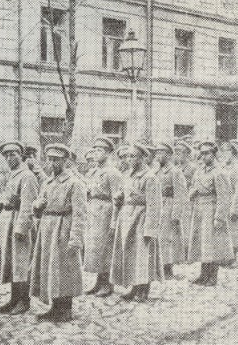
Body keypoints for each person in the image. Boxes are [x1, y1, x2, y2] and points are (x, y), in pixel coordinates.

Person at [30, 143, 86, 322]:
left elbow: (80, 213)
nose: (53, 163)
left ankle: (65, 309)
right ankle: (54, 306)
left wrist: (75, 238)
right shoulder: (47, 182)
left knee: (64, 269)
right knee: (50, 268)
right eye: (50, 159)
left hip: (64, 228)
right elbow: (40, 202)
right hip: (47, 229)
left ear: (65, 161)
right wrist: (36, 206)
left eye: (57, 160)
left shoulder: (74, 183)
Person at [110, 143, 162, 301]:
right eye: (127, 156)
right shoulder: (127, 175)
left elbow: (155, 205)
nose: (129, 159)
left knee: (142, 256)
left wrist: (150, 229)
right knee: (131, 255)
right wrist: (119, 199)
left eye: (133, 156)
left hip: (141, 219)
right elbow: (123, 195)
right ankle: (133, 286)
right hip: (126, 218)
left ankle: (143, 290)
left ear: (142, 158)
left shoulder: (150, 177)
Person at [0, 141, 39, 315]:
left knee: (21, 262)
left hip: (19, 223)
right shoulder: (13, 174)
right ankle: (14, 298)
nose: (9, 158)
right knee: (11, 262)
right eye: (6, 155)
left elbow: (28, 204)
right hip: (8, 221)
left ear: (21, 155)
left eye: (13, 154)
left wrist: (21, 227)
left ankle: (23, 300)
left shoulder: (27, 175)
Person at [187, 141, 234, 286]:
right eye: (202, 153)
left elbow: (224, 196)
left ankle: (213, 276)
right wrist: (192, 193)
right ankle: (203, 274)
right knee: (202, 244)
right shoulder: (200, 171)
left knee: (213, 244)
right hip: (200, 209)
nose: (204, 156)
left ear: (214, 154)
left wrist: (219, 217)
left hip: (212, 210)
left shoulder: (219, 172)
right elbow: (194, 186)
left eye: (207, 153)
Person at [84, 136, 124, 297]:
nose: (95, 154)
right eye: (94, 150)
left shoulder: (113, 172)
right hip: (94, 211)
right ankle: (98, 281)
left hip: (106, 212)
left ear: (108, 153)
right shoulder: (95, 172)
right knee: (95, 249)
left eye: (99, 150)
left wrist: (114, 221)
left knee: (106, 249)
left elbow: (118, 199)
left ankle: (107, 284)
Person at [153, 142, 188, 279]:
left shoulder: (175, 172)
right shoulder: (156, 171)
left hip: (169, 205)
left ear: (168, 155)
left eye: (161, 153)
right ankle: (159, 267)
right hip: (158, 205)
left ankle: (168, 269)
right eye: (157, 153)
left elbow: (181, 193)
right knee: (158, 237)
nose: (158, 156)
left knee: (168, 239)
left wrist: (176, 214)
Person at [221, 140, 238, 258]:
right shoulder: (221, 167)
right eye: (223, 152)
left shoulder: (237, 169)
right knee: (223, 231)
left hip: (232, 202)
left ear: (233, 153)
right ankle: (225, 255)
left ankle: (233, 256)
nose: (225, 155)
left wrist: (235, 208)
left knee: (233, 230)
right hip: (222, 201)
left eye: (228, 152)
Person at [174, 139, 197, 255]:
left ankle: (188, 251)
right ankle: (180, 251)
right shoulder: (176, 168)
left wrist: (189, 196)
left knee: (188, 226)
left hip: (189, 201)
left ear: (187, 153)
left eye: (181, 152)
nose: (178, 155)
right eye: (176, 152)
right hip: (178, 201)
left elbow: (195, 185)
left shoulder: (193, 168)